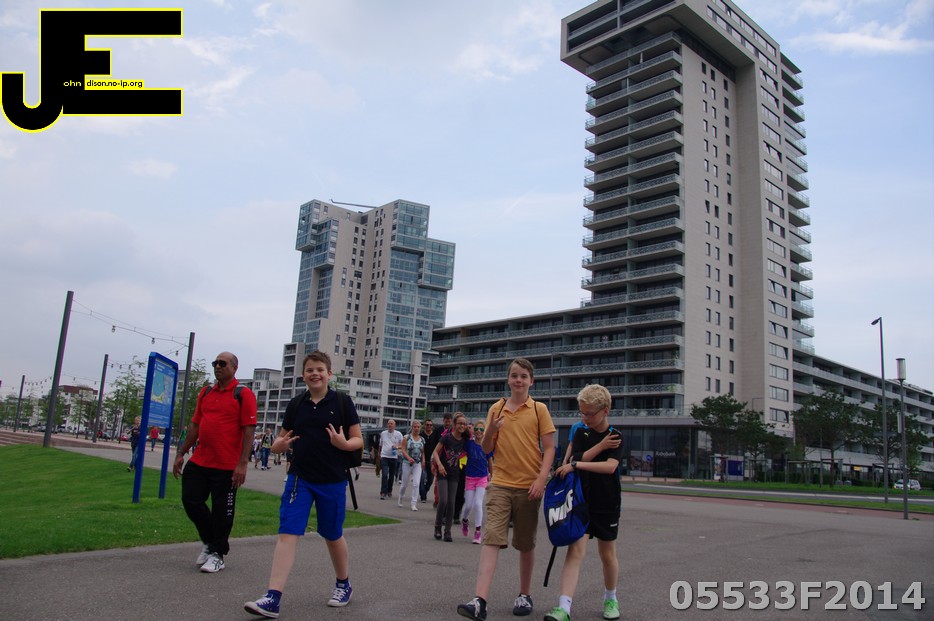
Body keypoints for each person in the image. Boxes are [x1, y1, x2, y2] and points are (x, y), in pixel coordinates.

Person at [244, 351, 363, 618]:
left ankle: (343, 584)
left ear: (329, 374)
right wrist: (279, 446)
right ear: (303, 375)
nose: (315, 374)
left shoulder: (342, 402)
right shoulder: (297, 404)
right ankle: (273, 597)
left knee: (332, 534)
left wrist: (343, 444)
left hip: (332, 480)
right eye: (310, 370)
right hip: (300, 479)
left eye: (320, 369)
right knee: (288, 532)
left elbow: (358, 440)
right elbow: (279, 442)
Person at [457, 358, 556, 621]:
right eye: (514, 375)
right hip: (500, 483)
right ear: (508, 379)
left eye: (523, 376)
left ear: (531, 381)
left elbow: (549, 448)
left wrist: (541, 479)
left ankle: (524, 594)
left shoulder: (539, 410)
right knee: (491, 539)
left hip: (528, 487)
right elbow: (487, 448)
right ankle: (479, 601)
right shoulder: (497, 408)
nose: (518, 380)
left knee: (525, 544)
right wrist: (491, 429)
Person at [544, 384, 624, 621]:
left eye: (589, 414)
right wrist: (598, 448)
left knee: (607, 555)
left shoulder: (616, 436)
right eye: (582, 412)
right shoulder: (580, 432)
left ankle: (611, 599)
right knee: (575, 552)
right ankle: (564, 607)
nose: (584, 418)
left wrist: (577, 465)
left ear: (605, 410)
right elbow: (576, 457)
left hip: (607, 503)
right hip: (580, 502)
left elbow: (610, 467)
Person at [173, 352, 257, 574]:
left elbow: (249, 431)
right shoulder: (206, 392)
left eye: (222, 363)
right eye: (215, 363)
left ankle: (218, 554)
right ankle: (211, 542)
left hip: (227, 465)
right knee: (190, 500)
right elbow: (195, 425)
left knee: (222, 512)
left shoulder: (243, 394)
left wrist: (242, 463)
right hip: (200, 460)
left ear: (234, 368)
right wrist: (181, 453)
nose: (217, 366)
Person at [431, 412, 470, 542]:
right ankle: (437, 527)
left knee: (452, 502)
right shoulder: (446, 438)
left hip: (455, 474)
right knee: (443, 500)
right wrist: (439, 465)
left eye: (464, 424)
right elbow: (435, 452)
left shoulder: (465, 440)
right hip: (443, 472)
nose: (462, 426)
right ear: (454, 424)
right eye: (460, 423)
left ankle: (447, 531)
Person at [460, 418, 493, 544]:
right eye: (477, 429)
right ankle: (465, 520)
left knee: (478, 504)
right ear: (474, 431)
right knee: (468, 505)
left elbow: (490, 462)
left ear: (484, 431)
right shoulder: (469, 444)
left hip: (482, 478)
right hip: (470, 477)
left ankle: (478, 532)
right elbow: (461, 454)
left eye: (481, 429)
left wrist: (492, 476)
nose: (479, 431)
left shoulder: (487, 445)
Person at [398, 420, 425, 511]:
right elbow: (403, 449)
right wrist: (408, 458)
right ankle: (401, 497)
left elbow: (422, 451)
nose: (417, 429)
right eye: (415, 427)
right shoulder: (407, 437)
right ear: (412, 427)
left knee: (416, 483)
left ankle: (414, 503)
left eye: (418, 427)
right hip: (407, 463)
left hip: (417, 463)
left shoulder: (422, 439)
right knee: (404, 484)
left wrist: (423, 460)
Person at [378, 418, 403, 500]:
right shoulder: (383, 433)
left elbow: (403, 445)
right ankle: (383, 492)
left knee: (391, 476)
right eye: (389, 423)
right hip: (384, 456)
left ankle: (389, 490)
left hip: (393, 457)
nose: (390, 425)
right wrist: (379, 455)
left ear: (394, 425)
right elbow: (380, 445)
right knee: (385, 474)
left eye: (391, 424)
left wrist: (397, 447)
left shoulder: (398, 434)